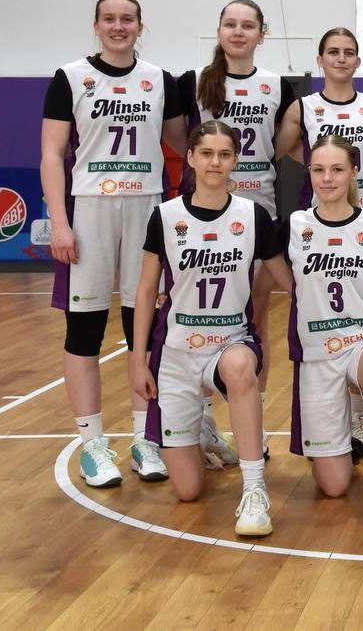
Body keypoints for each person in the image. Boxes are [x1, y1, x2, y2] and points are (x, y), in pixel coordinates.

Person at [40, 0, 188, 488]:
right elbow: (51, 154)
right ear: (96, 25)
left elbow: (184, 144)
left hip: (146, 209)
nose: (118, 26)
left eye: (127, 19)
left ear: (140, 26)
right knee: (83, 331)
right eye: (109, 18)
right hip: (89, 209)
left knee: (141, 327)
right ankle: (93, 445)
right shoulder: (70, 77)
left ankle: (146, 440)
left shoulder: (160, 80)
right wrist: (59, 222)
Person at [127, 121, 293, 537]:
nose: (215, 162)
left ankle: (254, 490)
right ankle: (199, 435)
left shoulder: (252, 216)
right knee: (187, 490)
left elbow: (289, 281)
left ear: (235, 160)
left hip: (231, 342)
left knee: (240, 367)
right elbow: (145, 291)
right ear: (191, 158)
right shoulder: (166, 216)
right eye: (206, 154)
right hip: (176, 351)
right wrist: (138, 361)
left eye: (223, 155)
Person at [178, 0, 295, 464]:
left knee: (256, 318)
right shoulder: (194, 83)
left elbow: (282, 144)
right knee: (202, 316)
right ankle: (204, 419)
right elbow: (179, 139)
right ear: (219, 31)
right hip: (204, 212)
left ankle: (254, 424)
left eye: (248, 26)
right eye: (231, 24)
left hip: (257, 211)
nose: (239, 32)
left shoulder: (276, 86)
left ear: (262, 35)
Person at [283, 136, 363, 542]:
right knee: (334, 485)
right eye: (319, 170)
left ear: (355, 171)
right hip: (317, 354)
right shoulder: (292, 226)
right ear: (309, 172)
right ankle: (343, 438)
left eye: (337, 169)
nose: (327, 178)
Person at [275, 26, 363, 455]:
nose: (341, 59)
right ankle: (337, 419)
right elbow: (281, 149)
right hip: (319, 225)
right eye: (333, 52)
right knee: (325, 321)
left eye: (349, 52)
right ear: (320, 59)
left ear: (358, 60)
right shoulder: (302, 107)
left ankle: (361, 419)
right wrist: (324, 166)